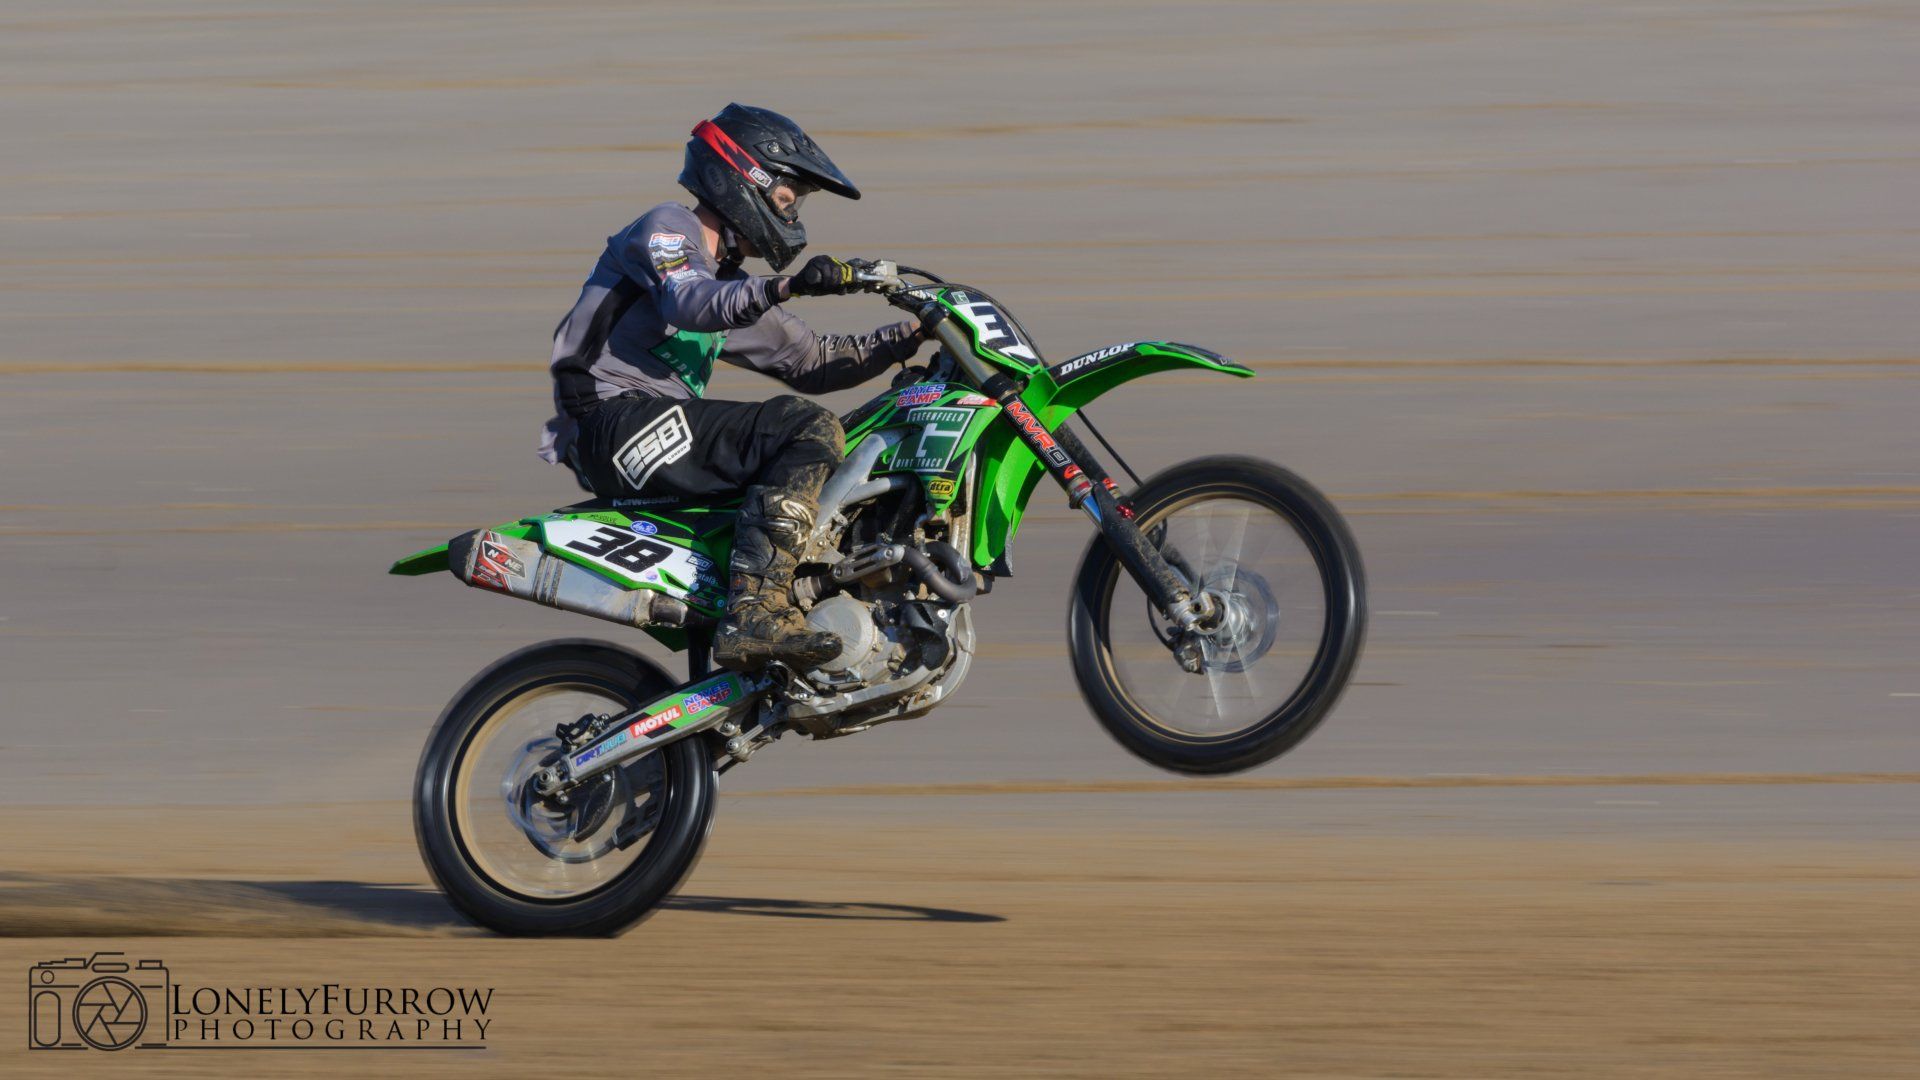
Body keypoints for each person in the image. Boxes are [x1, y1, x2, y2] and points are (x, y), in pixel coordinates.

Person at [538, 104, 926, 670]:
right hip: (609, 422)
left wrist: (914, 334)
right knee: (800, 426)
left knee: (841, 440)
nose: (794, 213)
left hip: (648, 426)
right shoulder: (667, 228)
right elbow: (688, 302)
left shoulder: (728, 284)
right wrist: (786, 287)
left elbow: (812, 360)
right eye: (790, 197)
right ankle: (756, 612)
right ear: (747, 178)